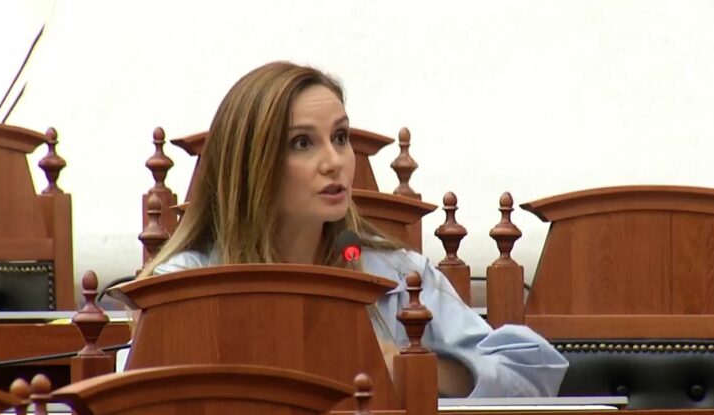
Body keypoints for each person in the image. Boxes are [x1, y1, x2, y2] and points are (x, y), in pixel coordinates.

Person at [137, 61, 568, 397]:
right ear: (251, 164)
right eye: (302, 142)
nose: (335, 162)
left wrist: (413, 368)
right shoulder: (183, 286)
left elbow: (534, 375)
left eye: (340, 137)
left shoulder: (399, 275)